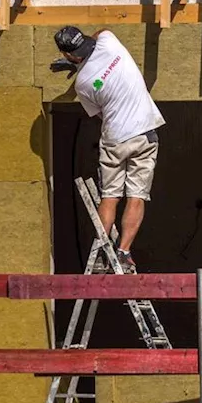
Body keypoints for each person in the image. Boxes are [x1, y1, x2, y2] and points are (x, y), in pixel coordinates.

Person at [51, 26, 164, 273]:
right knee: (137, 196)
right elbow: (103, 30)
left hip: (115, 138)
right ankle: (123, 252)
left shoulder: (83, 84)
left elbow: (99, 114)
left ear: (69, 56)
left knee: (110, 196)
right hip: (144, 132)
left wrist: (80, 67)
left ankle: (103, 254)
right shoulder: (109, 43)